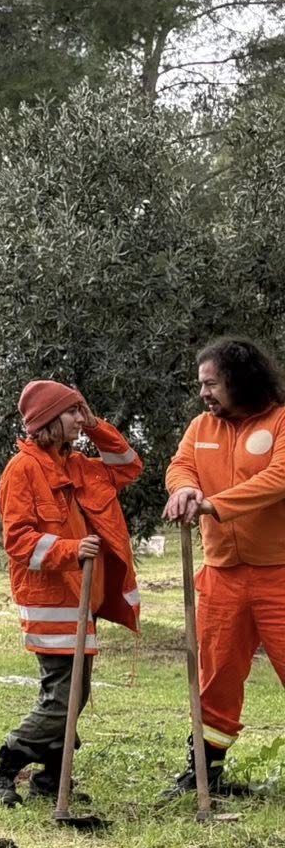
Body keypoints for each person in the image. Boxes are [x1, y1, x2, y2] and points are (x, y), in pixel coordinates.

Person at [0, 382, 142, 807]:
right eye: (71, 413)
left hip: (81, 599)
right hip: (50, 601)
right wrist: (71, 550)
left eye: (80, 413)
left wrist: (95, 424)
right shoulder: (22, 470)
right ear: (48, 421)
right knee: (64, 697)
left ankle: (51, 779)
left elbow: (128, 466)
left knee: (74, 693)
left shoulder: (80, 465)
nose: (78, 420)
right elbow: (18, 541)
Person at [163, 336, 285, 797]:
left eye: (211, 383)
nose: (204, 393)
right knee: (214, 677)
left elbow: (278, 478)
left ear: (239, 380)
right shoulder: (201, 427)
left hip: (279, 573)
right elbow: (180, 465)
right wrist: (184, 489)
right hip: (221, 574)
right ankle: (203, 773)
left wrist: (214, 505)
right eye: (201, 384)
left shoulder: (280, 421)